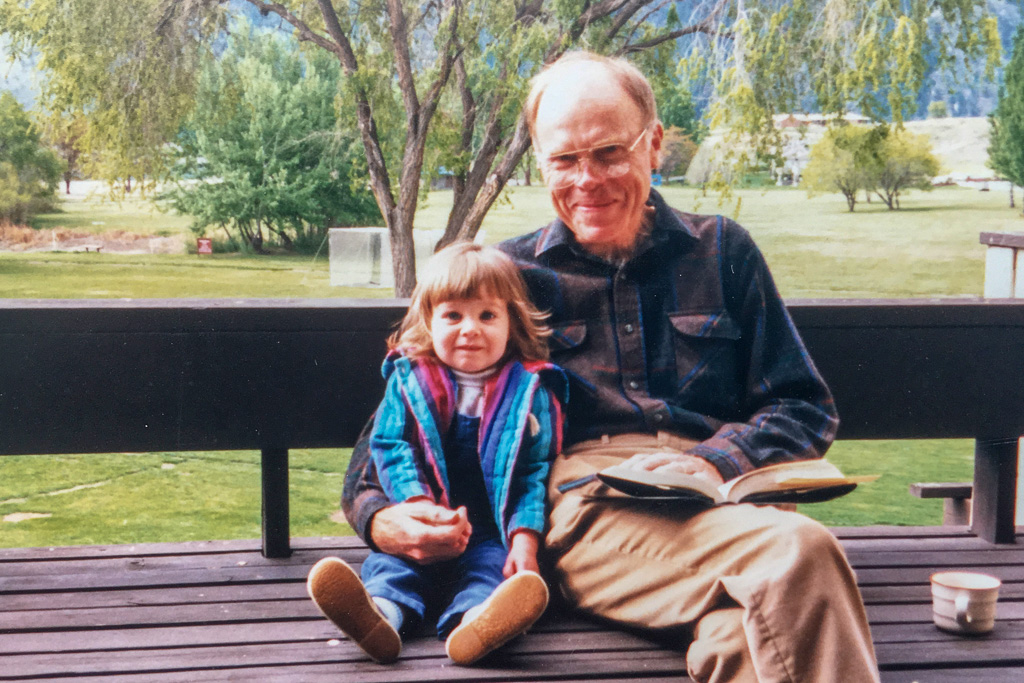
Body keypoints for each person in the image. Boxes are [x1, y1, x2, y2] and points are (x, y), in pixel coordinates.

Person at [342, 51, 881, 681]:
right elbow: (396, 420)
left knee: (741, 636)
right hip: (588, 507)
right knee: (800, 553)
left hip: (724, 512)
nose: (586, 179)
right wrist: (383, 517)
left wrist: (713, 459)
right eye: (564, 160)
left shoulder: (722, 251)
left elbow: (802, 405)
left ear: (653, 145)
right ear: (540, 163)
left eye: (608, 153)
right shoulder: (507, 281)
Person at [309, 242, 566, 666]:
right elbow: (390, 444)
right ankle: (379, 619)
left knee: (493, 570)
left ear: (511, 323)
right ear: (429, 321)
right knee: (395, 566)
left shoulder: (528, 392)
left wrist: (525, 540)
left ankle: (477, 625)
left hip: (490, 526)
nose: (470, 329)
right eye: (453, 315)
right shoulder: (409, 381)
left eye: (487, 315)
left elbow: (532, 472)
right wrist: (417, 505)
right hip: (422, 517)